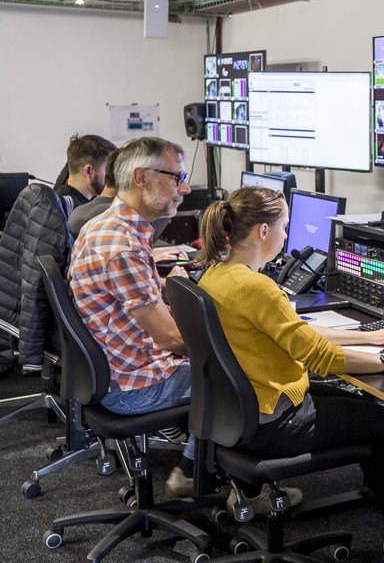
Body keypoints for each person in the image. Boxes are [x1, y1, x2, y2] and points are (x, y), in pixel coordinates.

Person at [194, 186, 384, 555]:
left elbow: (289, 329)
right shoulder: (256, 287)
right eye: (284, 227)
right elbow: (319, 357)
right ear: (263, 230)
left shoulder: (217, 275)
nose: (286, 235)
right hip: (273, 420)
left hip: (242, 411)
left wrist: (370, 338)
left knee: (373, 415)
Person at [68, 137, 289, 509]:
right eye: (177, 177)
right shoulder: (121, 245)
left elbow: (150, 308)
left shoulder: (108, 226)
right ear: (141, 178)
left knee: (223, 365)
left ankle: (193, 469)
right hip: (131, 386)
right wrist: (247, 344)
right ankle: (244, 489)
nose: (185, 188)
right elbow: (171, 338)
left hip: (111, 372)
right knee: (246, 378)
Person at [57, 134, 117, 214]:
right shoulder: (67, 210)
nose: (111, 175)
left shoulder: (85, 204)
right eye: (108, 169)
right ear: (88, 171)